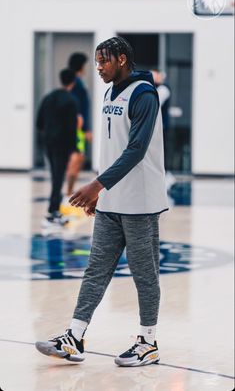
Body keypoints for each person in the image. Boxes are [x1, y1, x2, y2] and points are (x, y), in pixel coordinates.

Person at [35, 37, 168, 367]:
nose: (98, 67)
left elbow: (136, 149)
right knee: (95, 270)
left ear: (122, 60)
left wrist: (96, 186)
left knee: (144, 274)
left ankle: (148, 343)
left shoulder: (143, 95)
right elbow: (111, 148)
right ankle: (75, 337)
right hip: (113, 200)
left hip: (141, 201)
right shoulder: (109, 92)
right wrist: (103, 192)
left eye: (104, 61)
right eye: (96, 61)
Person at [36, 69, 78, 227]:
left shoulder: (48, 98)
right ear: (72, 82)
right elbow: (71, 127)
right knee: (58, 178)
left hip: (48, 143)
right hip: (62, 145)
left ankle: (54, 210)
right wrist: (74, 148)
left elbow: (39, 123)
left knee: (55, 176)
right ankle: (53, 212)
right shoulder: (70, 101)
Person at [65, 53, 92, 197]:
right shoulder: (76, 83)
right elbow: (77, 108)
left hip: (79, 128)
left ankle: (69, 191)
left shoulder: (78, 82)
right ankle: (68, 193)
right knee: (76, 158)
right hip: (78, 128)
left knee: (78, 158)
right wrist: (85, 128)